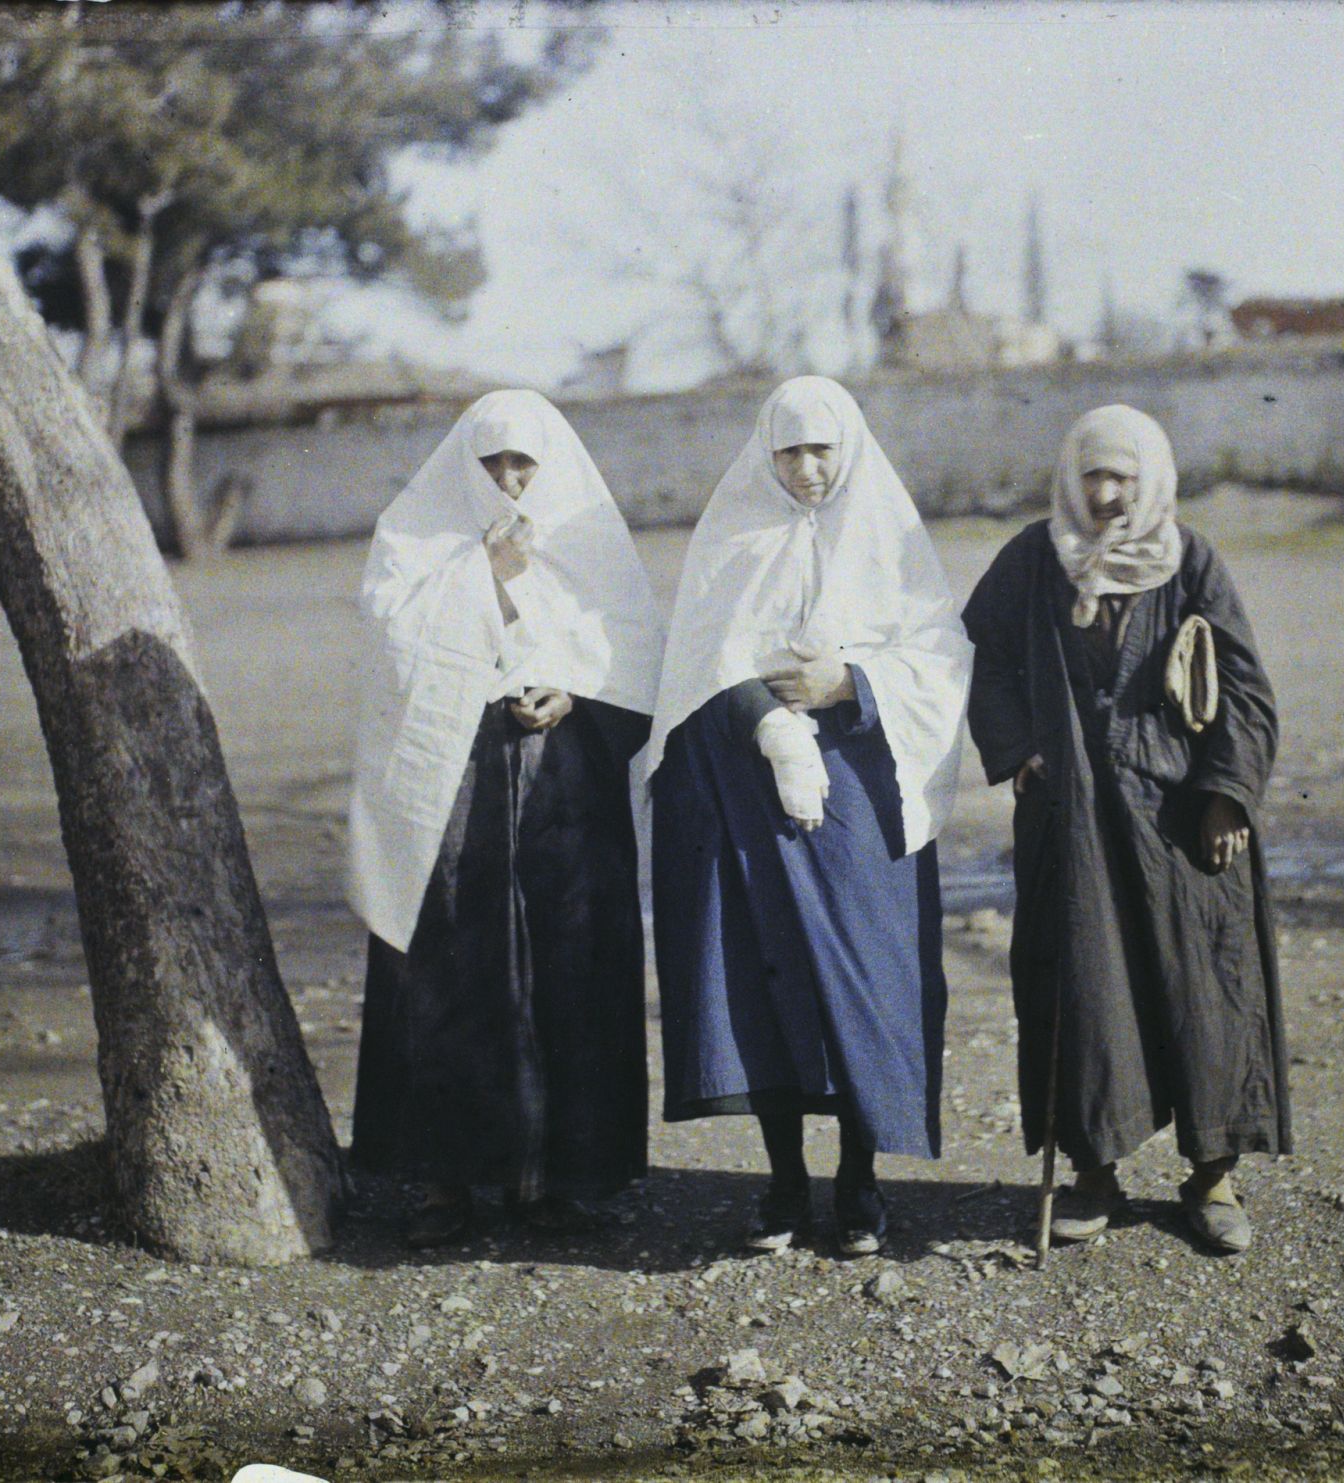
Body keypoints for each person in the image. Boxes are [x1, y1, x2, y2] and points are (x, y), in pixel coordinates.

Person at [648, 376, 972, 1257]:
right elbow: (699, 660)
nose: (807, 466)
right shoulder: (734, 532)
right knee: (766, 976)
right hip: (754, 790)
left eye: (822, 447)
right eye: (789, 449)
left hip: (862, 791)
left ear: (850, 449)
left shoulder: (889, 534)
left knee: (863, 973)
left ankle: (858, 1176)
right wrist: (762, 715)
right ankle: (785, 1180)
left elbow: (939, 653)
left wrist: (848, 683)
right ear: (766, 453)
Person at [960, 405, 1289, 1255]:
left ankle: (1214, 1173)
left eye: (1123, 478)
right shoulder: (1035, 558)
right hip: (1072, 815)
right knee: (1084, 985)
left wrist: (1226, 794)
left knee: (1203, 990)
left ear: (1151, 481)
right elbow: (978, 656)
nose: (1106, 495)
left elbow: (1246, 692)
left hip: (1181, 818)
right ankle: (1095, 1167)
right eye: (1092, 476)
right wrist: (1017, 750)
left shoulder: (1190, 560)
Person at [345, 389, 666, 1247]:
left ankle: (550, 1179)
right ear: (467, 467)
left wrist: (573, 688)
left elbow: (629, 649)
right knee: (451, 963)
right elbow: (390, 636)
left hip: (563, 780)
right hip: (458, 779)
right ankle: (443, 1182)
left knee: (563, 967)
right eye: (494, 465)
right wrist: (485, 576)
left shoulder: (590, 537)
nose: (512, 481)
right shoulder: (417, 537)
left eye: (526, 465)